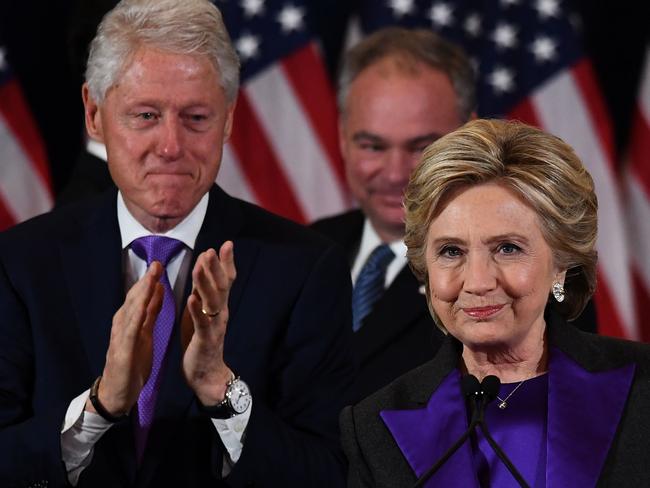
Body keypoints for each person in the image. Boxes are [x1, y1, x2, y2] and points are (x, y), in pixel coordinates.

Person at [0, 0, 354, 486]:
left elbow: (327, 475)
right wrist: (99, 408)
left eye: (196, 118)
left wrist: (219, 388)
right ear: (94, 113)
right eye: (145, 115)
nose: (170, 145)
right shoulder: (21, 263)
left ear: (228, 119)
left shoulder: (305, 270)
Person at [340, 119, 650, 487]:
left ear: (562, 263)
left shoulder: (642, 390)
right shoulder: (374, 425)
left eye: (508, 248)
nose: (478, 282)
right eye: (451, 251)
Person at [312, 27, 475, 403]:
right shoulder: (304, 249)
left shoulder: (523, 274)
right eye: (372, 145)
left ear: (470, 135)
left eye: (422, 147)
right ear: (342, 137)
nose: (396, 173)